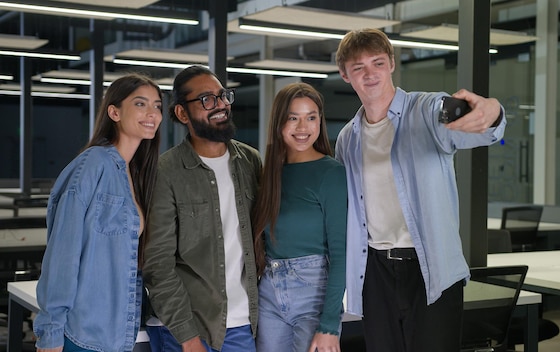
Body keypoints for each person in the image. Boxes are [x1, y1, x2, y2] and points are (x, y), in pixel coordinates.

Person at [334, 28, 507, 352]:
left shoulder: (429, 111)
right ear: (345, 75)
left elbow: (483, 127)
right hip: (377, 272)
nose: (370, 74)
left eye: (378, 63)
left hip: (431, 269)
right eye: (359, 67)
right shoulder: (348, 138)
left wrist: (492, 111)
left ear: (392, 64)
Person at [33, 73, 163, 352]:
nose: (152, 113)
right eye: (140, 104)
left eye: (157, 106)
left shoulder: (133, 171)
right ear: (114, 112)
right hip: (82, 334)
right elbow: (62, 255)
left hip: (116, 333)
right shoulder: (92, 165)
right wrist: (51, 333)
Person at [142, 65, 261, 352]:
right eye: (207, 99)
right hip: (190, 329)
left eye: (222, 96)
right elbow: (158, 265)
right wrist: (187, 336)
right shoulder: (165, 172)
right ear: (182, 113)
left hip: (245, 325)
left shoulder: (250, 161)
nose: (220, 105)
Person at [252, 82, 347, 352]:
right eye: (293, 118)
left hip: (313, 295)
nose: (302, 127)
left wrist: (329, 324)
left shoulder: (331, 173)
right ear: (279, 123)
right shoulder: (270, 173)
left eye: (311, 117)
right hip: (268, 294)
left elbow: (341, 254)